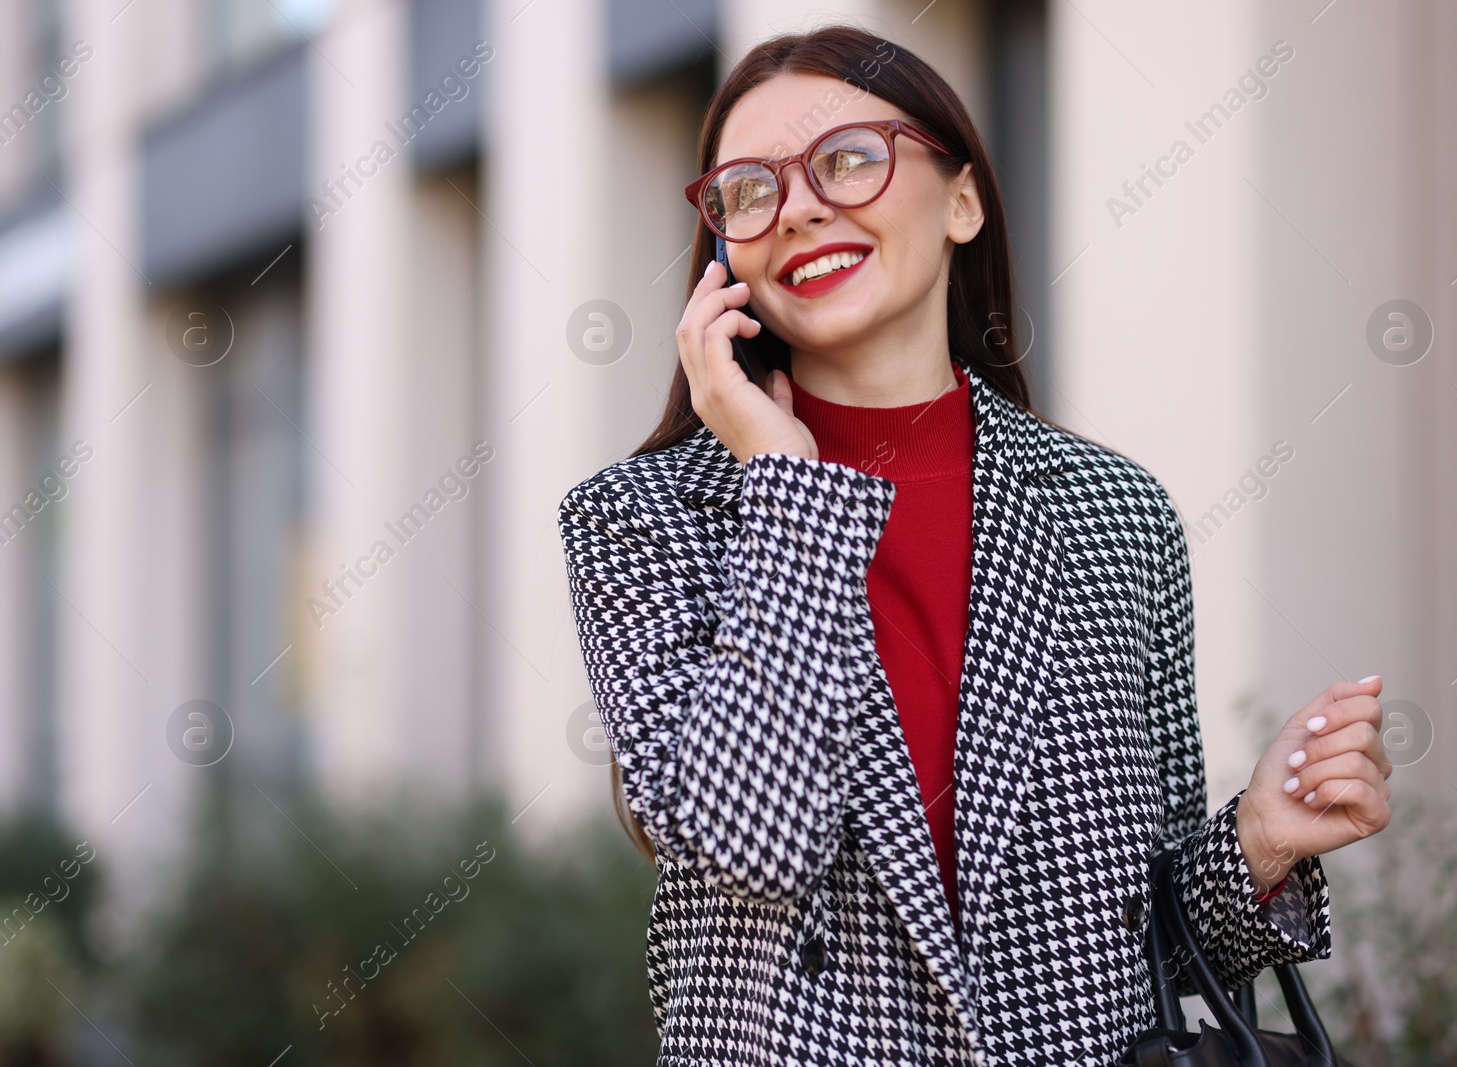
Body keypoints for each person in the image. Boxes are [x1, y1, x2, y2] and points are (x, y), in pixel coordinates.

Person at [557, 25, 1392, 1067]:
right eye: (749, 189)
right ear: (725, 251)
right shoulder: (642, 517)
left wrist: (1258, 840)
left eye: (850, 158)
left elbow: (1145, 952)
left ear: (962, 200)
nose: (803, 205)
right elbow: (754, 845)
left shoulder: (1112, 513)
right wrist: (787, 485)